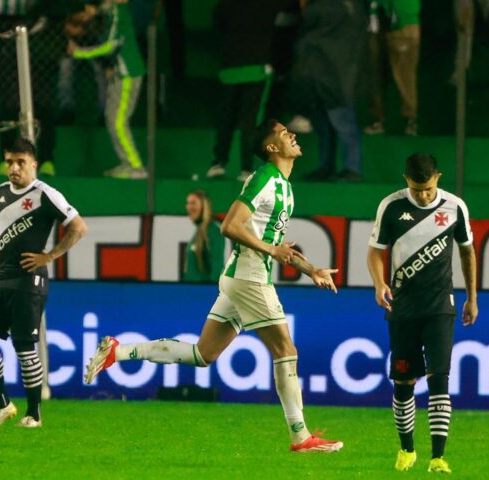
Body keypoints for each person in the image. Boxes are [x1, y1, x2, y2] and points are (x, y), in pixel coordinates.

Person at [85, 119, 344, 453]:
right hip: (250, 277)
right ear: (271, 147)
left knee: (203, 354)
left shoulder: (283, 184)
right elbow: (231, 226)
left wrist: (310, 269)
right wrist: (270, 249)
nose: (292, 135)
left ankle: (118, 351)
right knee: (286, 351)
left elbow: (273, 244)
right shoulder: (266, 177)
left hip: (242, 275)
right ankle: (300, 436)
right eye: (283, 133)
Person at [366, 153, 478, 473]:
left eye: (428, 189)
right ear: (406, 181)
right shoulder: (391, 206)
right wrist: (378, 284)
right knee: (404, 381)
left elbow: (467, 250)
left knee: (439, 377)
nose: (423, 195)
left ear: (438, 178)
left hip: (441, 304)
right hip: (402, 307)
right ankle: (407, 450)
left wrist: (472, 297)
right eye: (417, 189)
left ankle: (438, 457)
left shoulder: (455, 207)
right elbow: (375, 253)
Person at [0, 138, 87, 428]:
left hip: (30, 279)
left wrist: (50, 255)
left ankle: (34, 414)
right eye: (10, 162)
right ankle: (2, 404)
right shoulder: (1, 192)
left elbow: (79, 227)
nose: (14, 168)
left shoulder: (45, 194)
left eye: (20, 163)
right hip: (2, 277)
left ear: (33, 164)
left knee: (25, 346)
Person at [205, 0, 285, 182]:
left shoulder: (225, 6)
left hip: (230, 67)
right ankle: (246, 168)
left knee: (226, 117)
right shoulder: (267, 5)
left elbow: (217, 27)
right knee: (250, 120)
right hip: (255, 69)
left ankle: (218, 162)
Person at [68, 0, 147, 179]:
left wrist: (79, 52)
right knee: (112, 119)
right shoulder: (110, 11)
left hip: (128, 74)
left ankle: (136, 167)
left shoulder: (119, 13)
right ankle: (128, 164)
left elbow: (110, 45)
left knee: (118, 121)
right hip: (120, 74)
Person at [296, 0, 366, 182]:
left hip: (330, 76)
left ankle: (351, 169)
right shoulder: (352, 7)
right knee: (330, 125)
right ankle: (334, 167)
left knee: (341, 124)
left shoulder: (323, 8)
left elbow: (307, 17)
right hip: (331, 75)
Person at [364, 0, 421, 136]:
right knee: (374, 74)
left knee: (405, 75)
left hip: (402, 21)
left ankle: (412, 120)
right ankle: (377, 119)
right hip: (374, 23)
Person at [182, 190, 226, 283]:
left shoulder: (213, 231)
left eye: (193, 203)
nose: (189, 207)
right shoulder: (199, 231)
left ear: (204, 206)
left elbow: (217, 266)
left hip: (202, 292)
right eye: (188, 203)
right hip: (190, 290)